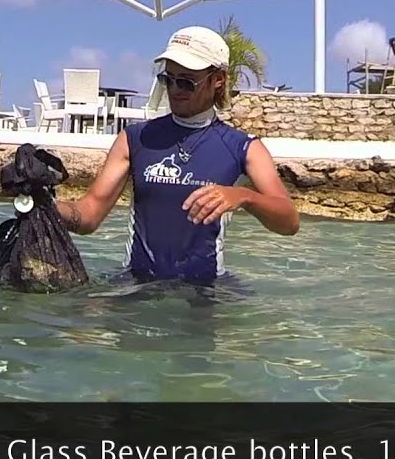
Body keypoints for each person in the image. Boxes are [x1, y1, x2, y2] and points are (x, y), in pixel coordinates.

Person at [54, 25, 299, 286]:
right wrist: (39, 202)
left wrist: (243, 196)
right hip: (137, 288)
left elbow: (289, 222)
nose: (175, 89)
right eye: (168, 79)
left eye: (186, 82)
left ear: (218, 80)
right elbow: (88, 215)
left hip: (205, 295)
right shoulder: (135, 139)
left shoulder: (243, 147)